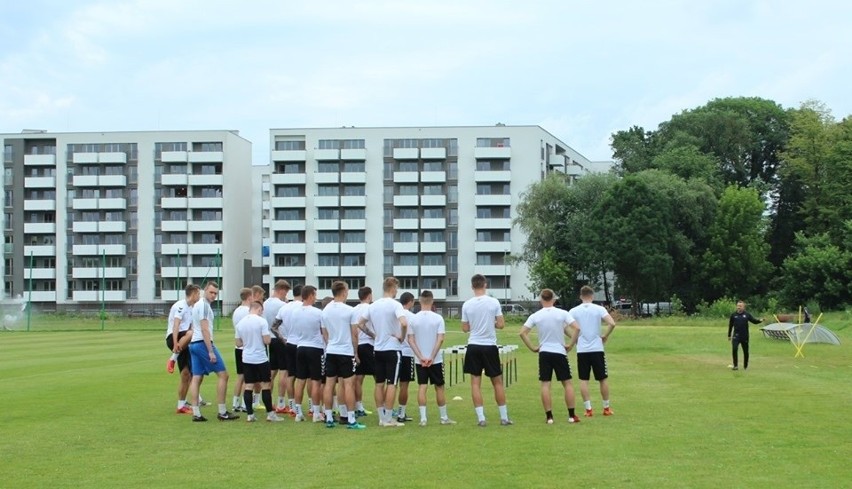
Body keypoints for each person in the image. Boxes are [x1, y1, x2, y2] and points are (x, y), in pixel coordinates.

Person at [520, 289, 581, 424]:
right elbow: (577, 328)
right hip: (559, 351)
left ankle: (549, 417)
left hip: (544, 352)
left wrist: (533, 347)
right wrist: (570, 344)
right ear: (553, 299)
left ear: (541, 300)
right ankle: (571, 415)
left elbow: (523, 333)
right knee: (567, 383)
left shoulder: (536, 315)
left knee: (545, 384)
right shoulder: (562, 313)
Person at [357, 277, 408, 427]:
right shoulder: (395, 305)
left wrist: (373, 335)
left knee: (379, 383)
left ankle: (381, 417)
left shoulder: (373, 306)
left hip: (378, 349)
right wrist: (401, 337)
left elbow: (360, 323)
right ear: (393, 288)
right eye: (396, 288)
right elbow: (404, 322)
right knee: (392, 383)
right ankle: (387, 418)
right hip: (392, 348)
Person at [461, 274, 511, 427]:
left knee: (475, 383)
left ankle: (481, 418)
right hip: (489, 346)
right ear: (485, 285)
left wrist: (474, 325)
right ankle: (503, 417)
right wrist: (491, 323)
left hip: (474, 345)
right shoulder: (493, 302)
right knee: (497, 382)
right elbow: (501, 324)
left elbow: (464, 328)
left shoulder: (467, 304)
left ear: (472, 287)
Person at [187, 282, 239, 422]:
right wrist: (210, 350)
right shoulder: (203, 305)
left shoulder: (198, 305)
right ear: (205, 291)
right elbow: (204, 329)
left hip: (194, 344)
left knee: (197, 378)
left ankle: (196, 413)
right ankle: (222, 412)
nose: (214, 295)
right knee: (224, 375)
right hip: (202, 344)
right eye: (211, 292)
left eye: (216, 293)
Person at [320, 281, 366, 430]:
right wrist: (356, 352)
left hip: (331, 350)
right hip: (345, 352)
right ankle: (351, 419)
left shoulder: (325, 310)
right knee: (348, 384)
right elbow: (354, 334)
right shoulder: (349, 310)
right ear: (344, 292)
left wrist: (331, 344)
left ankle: (328, 417)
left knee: (329, 384)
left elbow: (325, 333)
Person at [407, 290, 455, 426]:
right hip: (436, 360)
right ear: (432, 301)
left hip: (420, 360)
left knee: (422, 386)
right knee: (439, 387)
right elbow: (440, 339)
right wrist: (432, 357)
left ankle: (423, 418)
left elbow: (411, 340)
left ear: (420, 301)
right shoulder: (438, 318)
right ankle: (443, 417)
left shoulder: (413, 319)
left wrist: (421, 357)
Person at [568, 285, 616, 417]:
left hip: (582, 350)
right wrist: (605, 336)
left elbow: (564, 326)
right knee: (602, 378)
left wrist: (573, 338)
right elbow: (612, 323)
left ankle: (588, 409)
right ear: (592, 296)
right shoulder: (599, 309)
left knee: (584, 379)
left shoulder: (574, 311)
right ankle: (606, 408)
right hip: (597, 348)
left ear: (580, 296)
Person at [234, 301, 284, 422]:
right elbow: (267, 340)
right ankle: (270, 414)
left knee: (249, 385)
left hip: (247, 358)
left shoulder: (240, 323)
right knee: (266, 385)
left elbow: (238, 343)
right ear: (258, 309)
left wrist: (247, 342)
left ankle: (250, 415)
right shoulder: (261, 321)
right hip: (260, 358)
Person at [165, 284, 201, 414]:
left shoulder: (192, 308)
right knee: (191, 333)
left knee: (186, 374)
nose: (199, 296)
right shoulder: (181, 306)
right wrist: (175, 344)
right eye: (198, 293)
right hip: (174, 338)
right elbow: (176, 325)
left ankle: (181, 406)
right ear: (193, 294)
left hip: (184, 341)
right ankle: (173, 358)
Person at [291, 285, 325, 422]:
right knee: (316, 381)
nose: (316, 298)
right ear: (310, 295)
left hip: (301, 347)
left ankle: (298, 412)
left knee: (300, 381)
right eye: (315, 295)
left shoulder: (295, 312)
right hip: (315, 348)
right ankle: (316, 413)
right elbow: (323, 331)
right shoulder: (318, 313)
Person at [274, 284, 302, 416]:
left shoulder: (285, 307)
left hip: (289, 342)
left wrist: (282, 338)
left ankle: (291, 406)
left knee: (290, 376)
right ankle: (305, 407)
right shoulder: (304, 308)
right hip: (302, 343)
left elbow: (274, 326)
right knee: (304, 377)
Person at [264, 280, 290, 413]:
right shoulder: (282, 305)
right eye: (286, 292)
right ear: (282, 290)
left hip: (270, 339)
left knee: (272, 372)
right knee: (284, 371)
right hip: (281, 338)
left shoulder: (265, 303)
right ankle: (280, 402)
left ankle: (268, 400)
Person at [352, 286, 375, 417]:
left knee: (358, 378)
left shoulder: (353, 309)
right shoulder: (370, 308)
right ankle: (383, 406)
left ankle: (358, 406)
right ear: (369, 296)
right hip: (368, 344)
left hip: (357, 345)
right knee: (379, 377)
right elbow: (363, 325)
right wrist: (374, 335)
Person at [230, 288, 253, 412]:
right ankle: (245, 403)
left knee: (240, 376)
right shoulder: (247, 312)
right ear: (249, 297)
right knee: (248, 377)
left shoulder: (236, 311)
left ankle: (235, 402)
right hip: (247, 347)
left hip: (238, 347)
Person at [395, 292, 416, 423]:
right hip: (407, 352)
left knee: (391, 384)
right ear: (410, 302)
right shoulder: (412, 317)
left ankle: (387, 410)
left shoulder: (394, 314)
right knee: (404, 385)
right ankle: (401, 413)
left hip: (393, 350)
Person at [728, 301, 764, 370]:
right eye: (738, 306)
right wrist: (729, 335)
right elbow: (730, 325)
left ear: (743, 307)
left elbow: (754, 321)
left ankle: (745, 366)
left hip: (744, 336)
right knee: (734, 349)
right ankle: (735, 366)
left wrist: (760, 320)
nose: (738, 307)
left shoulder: (747, 315)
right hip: (736, 336)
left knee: (745, 351)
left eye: (740, 306)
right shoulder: (733, 315)